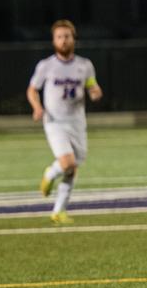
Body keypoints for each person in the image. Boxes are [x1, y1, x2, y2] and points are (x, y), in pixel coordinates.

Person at [26, 19, 103, 225]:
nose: (63, 41)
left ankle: (58, 211)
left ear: (73, 39)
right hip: (55, 121)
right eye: (59, 37)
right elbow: (32, 89)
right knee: (67, 163)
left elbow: (92, 85)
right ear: (53, 41)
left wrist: (95, 91)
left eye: (67, 36)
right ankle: (50, 173)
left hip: (77, 122)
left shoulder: (84, 65)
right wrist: (37, 107)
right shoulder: (46, 66)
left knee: (73, 168)